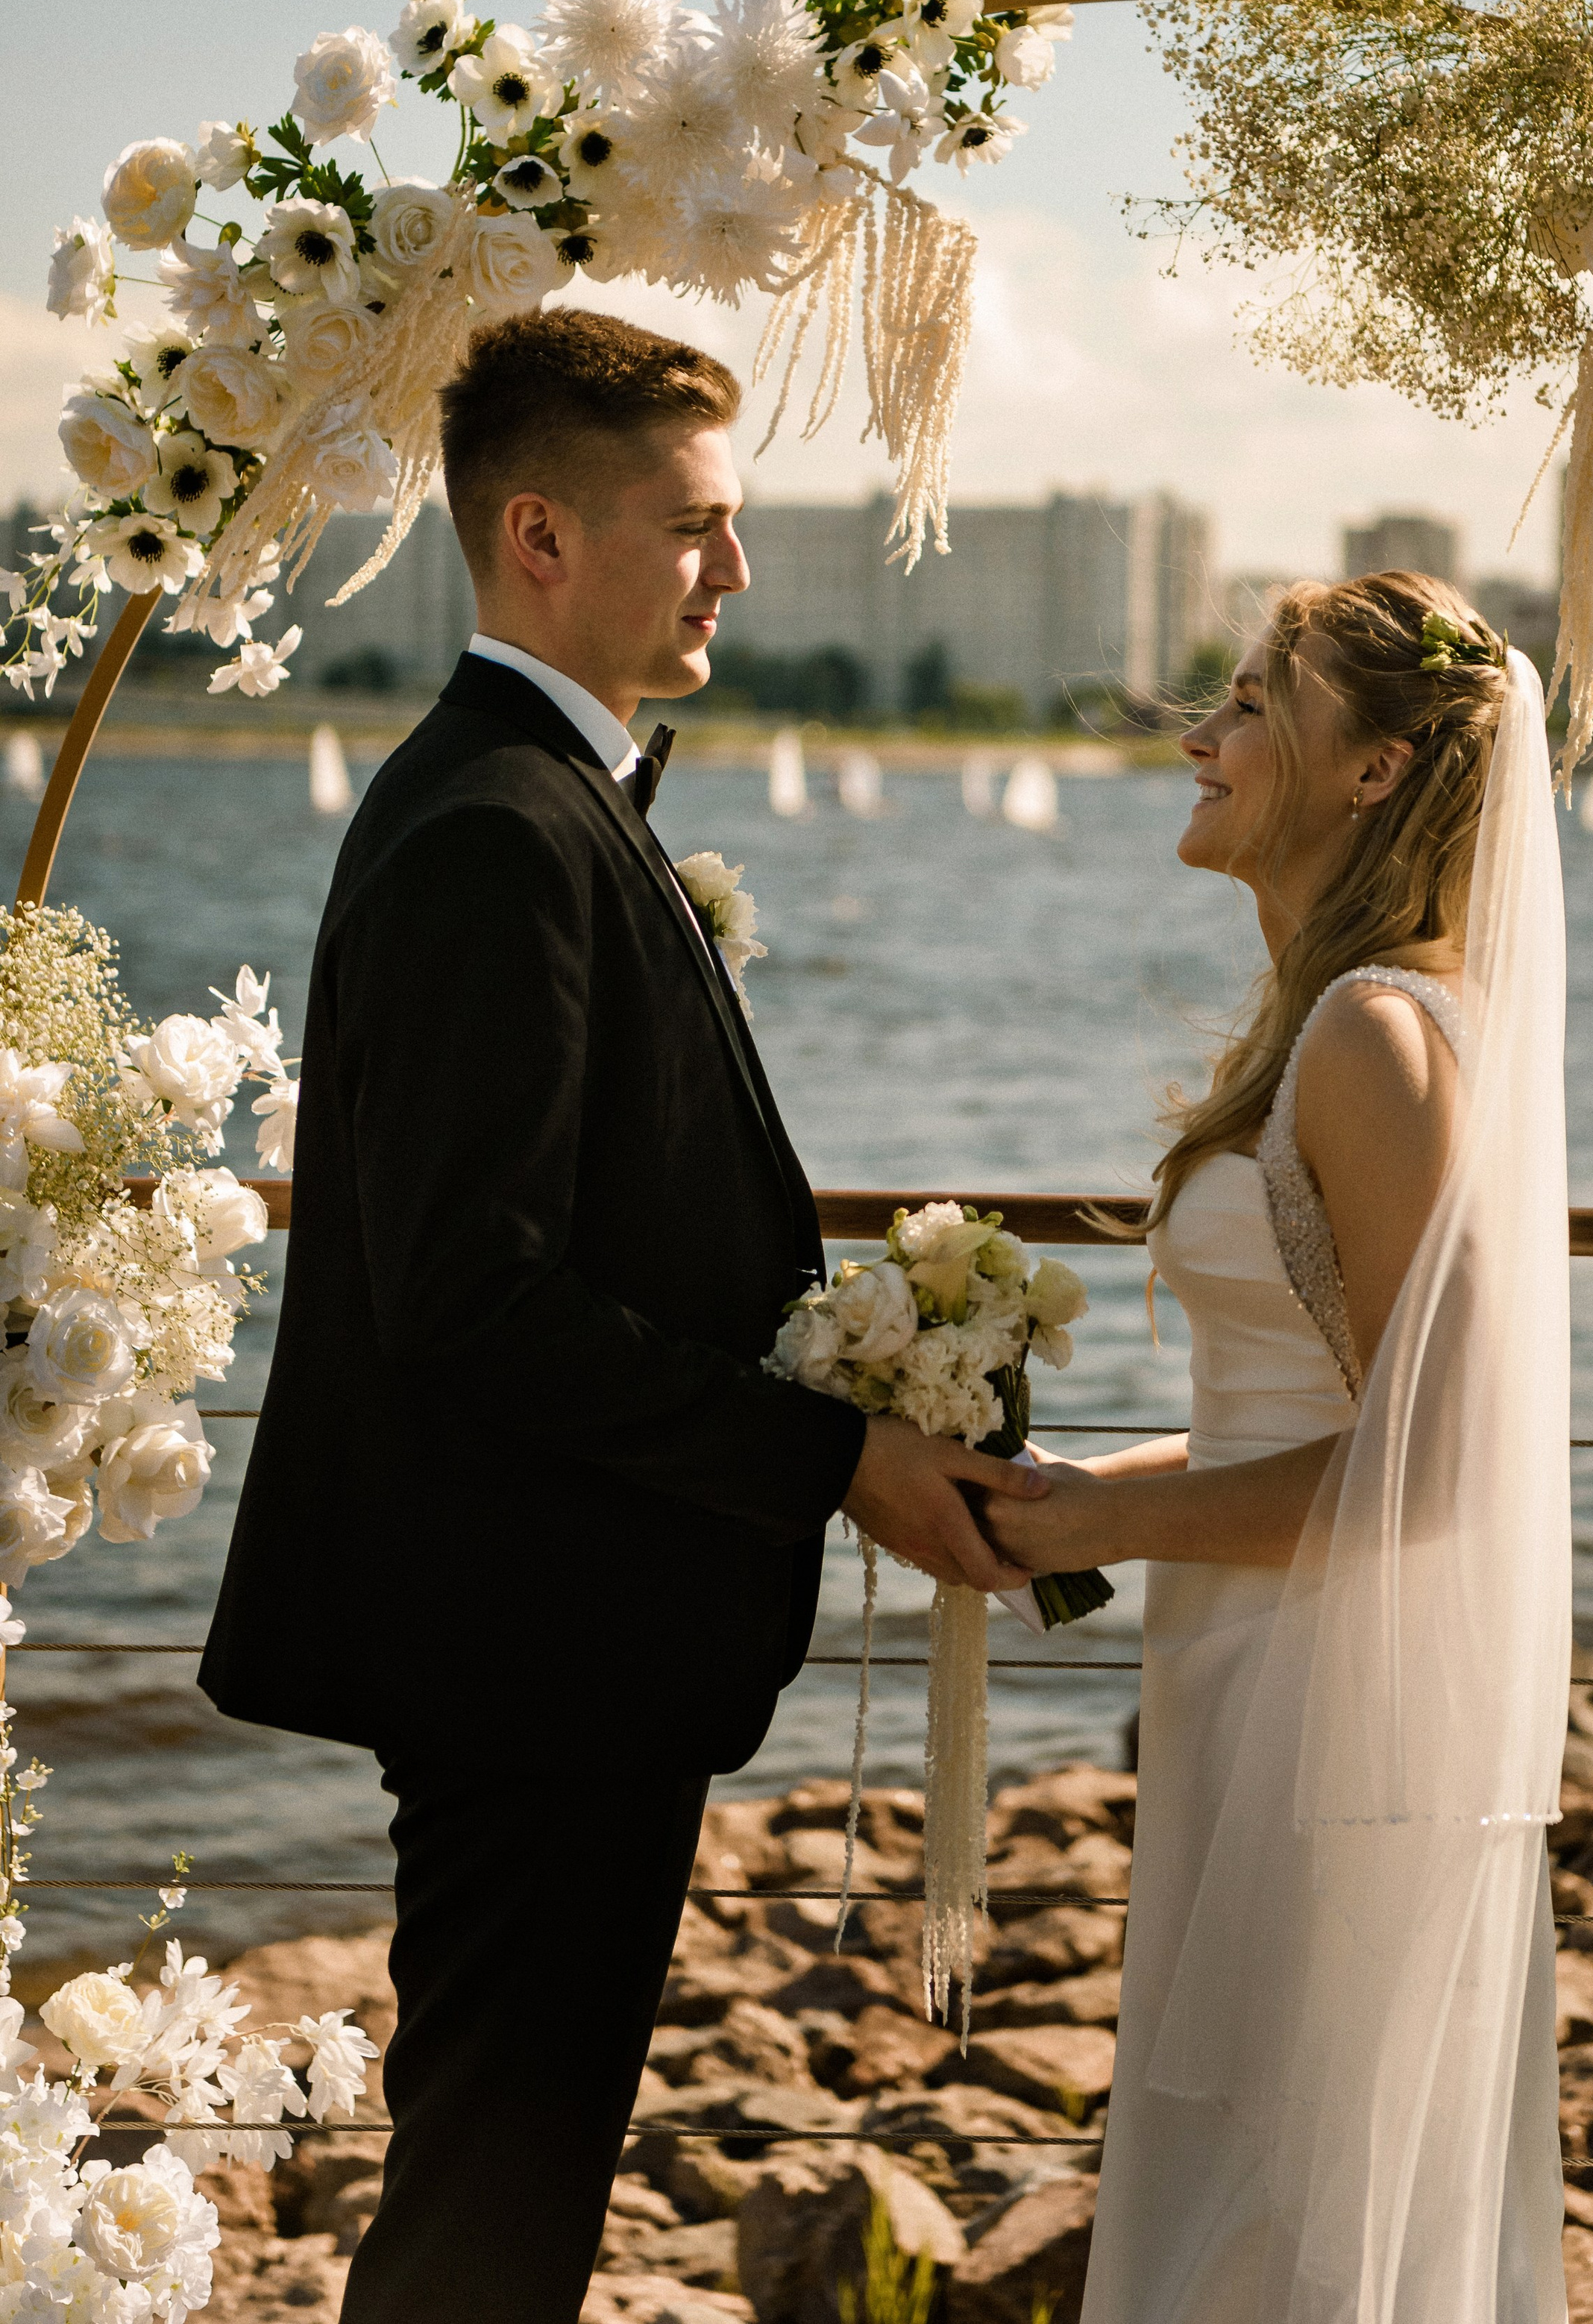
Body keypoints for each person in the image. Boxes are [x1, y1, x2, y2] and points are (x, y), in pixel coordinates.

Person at [199, 307, 1047, 2324]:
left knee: (514, 2193)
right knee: (490, 2216)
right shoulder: (498, 830)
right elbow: (474, 1296)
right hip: (531, 1654)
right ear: (540, 536)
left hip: (553, 1641)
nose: (734, 567)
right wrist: (832, 1449)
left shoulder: (540, 800)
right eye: (694, 525)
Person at [985, 572, 1571, 2324]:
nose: (1199, 736)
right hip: (1257, 1668)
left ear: (1373, 768)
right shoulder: (1335, 1019)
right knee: (1251, 2181)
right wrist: (1066, 1497)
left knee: (1288, 2212)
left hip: (1335, 1704)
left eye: (1249, 702)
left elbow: (1432, 1471)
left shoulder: (1375, 1038)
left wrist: (1111, 1526)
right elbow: (1312, 1407)